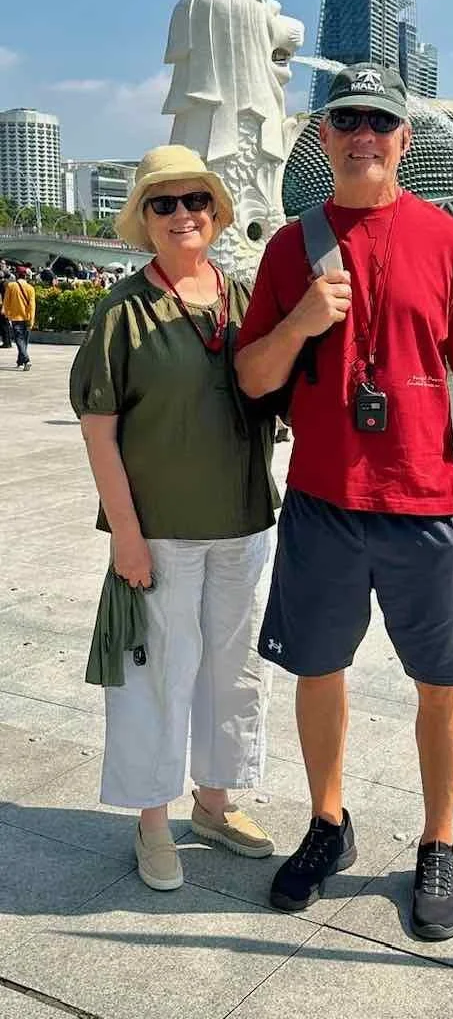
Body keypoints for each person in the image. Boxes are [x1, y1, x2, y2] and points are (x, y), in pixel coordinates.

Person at [236, 63, 453, 940]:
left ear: (404, 140)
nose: (364, 133)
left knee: (440, 680)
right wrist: (299, 321)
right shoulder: (290, 246)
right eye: (346, 118)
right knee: (318, 668)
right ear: (323, 135)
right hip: (322, 499)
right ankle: (327, 822)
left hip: (424, 506)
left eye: (379, 122)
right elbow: (251, 378)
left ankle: (436, 841)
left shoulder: (447, 241)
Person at [69, 144, 278, 893]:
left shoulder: (241, 296)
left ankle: (215, 804)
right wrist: (124, 532)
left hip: (244, 520)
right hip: (158, 527)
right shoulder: (123, 307)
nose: (182, 214)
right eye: (164, 203)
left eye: (195, 200)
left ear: (216, 213)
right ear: (145, 220)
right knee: (156, 675)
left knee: (234, 671)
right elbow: (98, 426)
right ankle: (152, 819)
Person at [2, 266, 36, 369]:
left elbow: (6, 302)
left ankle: (26, 360)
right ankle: (20, 361)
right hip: (27, 317)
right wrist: (31, 320)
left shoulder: (11, 286)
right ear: (25, 276)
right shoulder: (30, 288)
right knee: (24, 340)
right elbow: (32, 306)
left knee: (19, 340)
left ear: (16, 275)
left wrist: (6, 314)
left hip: (16, 318)